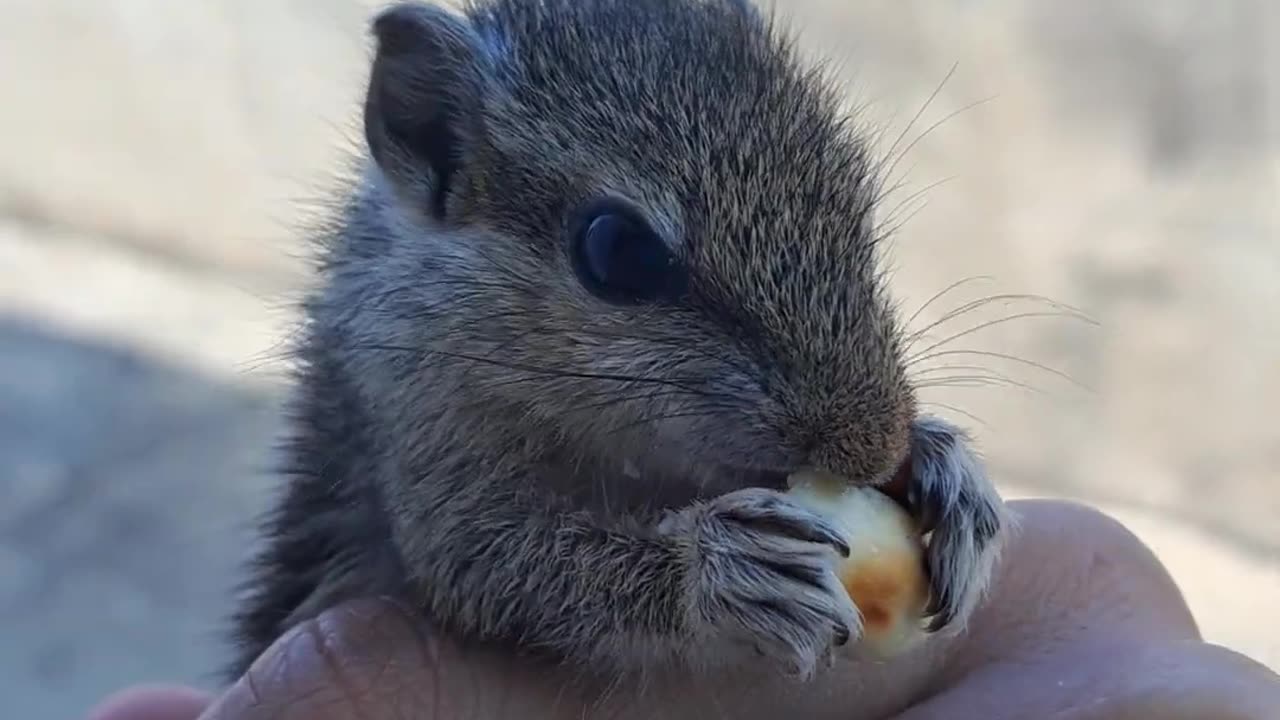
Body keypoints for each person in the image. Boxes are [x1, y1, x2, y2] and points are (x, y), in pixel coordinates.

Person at [86, 501, 1280, 720]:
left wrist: (919, 481)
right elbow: (471, 563)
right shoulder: (429, 379)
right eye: (619, 256)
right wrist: (679, 578)